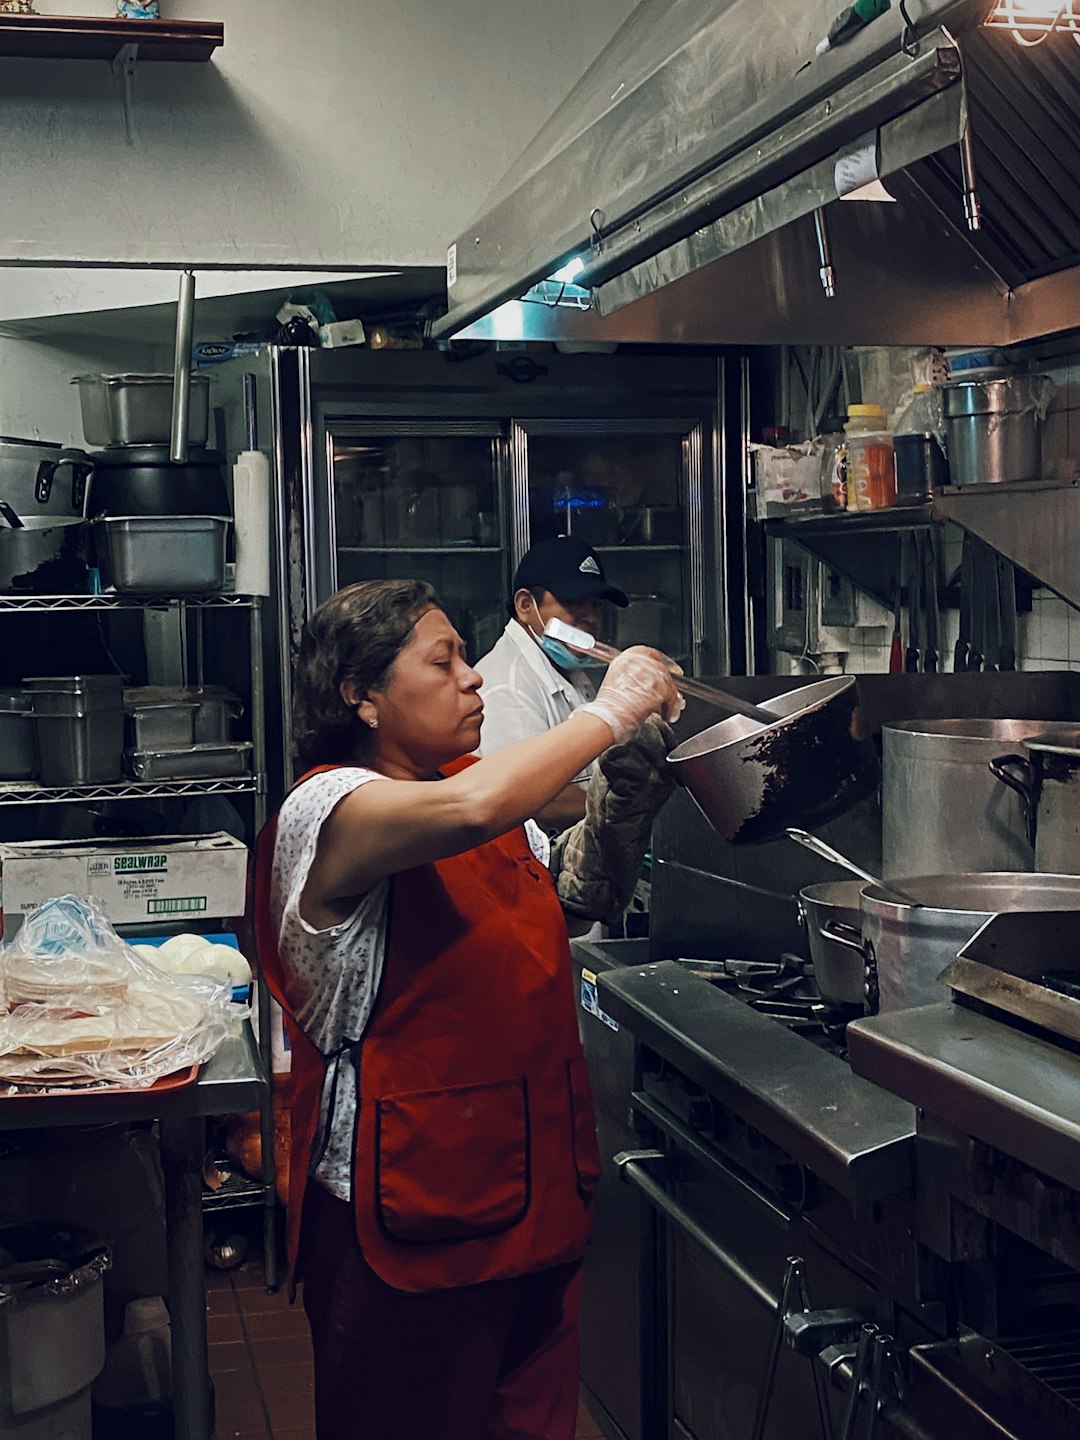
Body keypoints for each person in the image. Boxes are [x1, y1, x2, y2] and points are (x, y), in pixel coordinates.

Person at [253, 578, 681, 1440]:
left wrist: (623, 801)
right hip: (408, 1215)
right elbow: (474, 808)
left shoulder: (471, 787)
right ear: (362, 696)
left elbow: (571, 898)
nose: (473, 678)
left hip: (532, 1197)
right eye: (443, 661)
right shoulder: (329, 809)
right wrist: (612, 712)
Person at [475, 536, 630, 829]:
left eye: (595, 605)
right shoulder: (506, 686)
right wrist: (625, 805)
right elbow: (534, 798)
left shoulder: (568, 669)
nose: (589, 617)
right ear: (525, 605)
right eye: (573, 602)